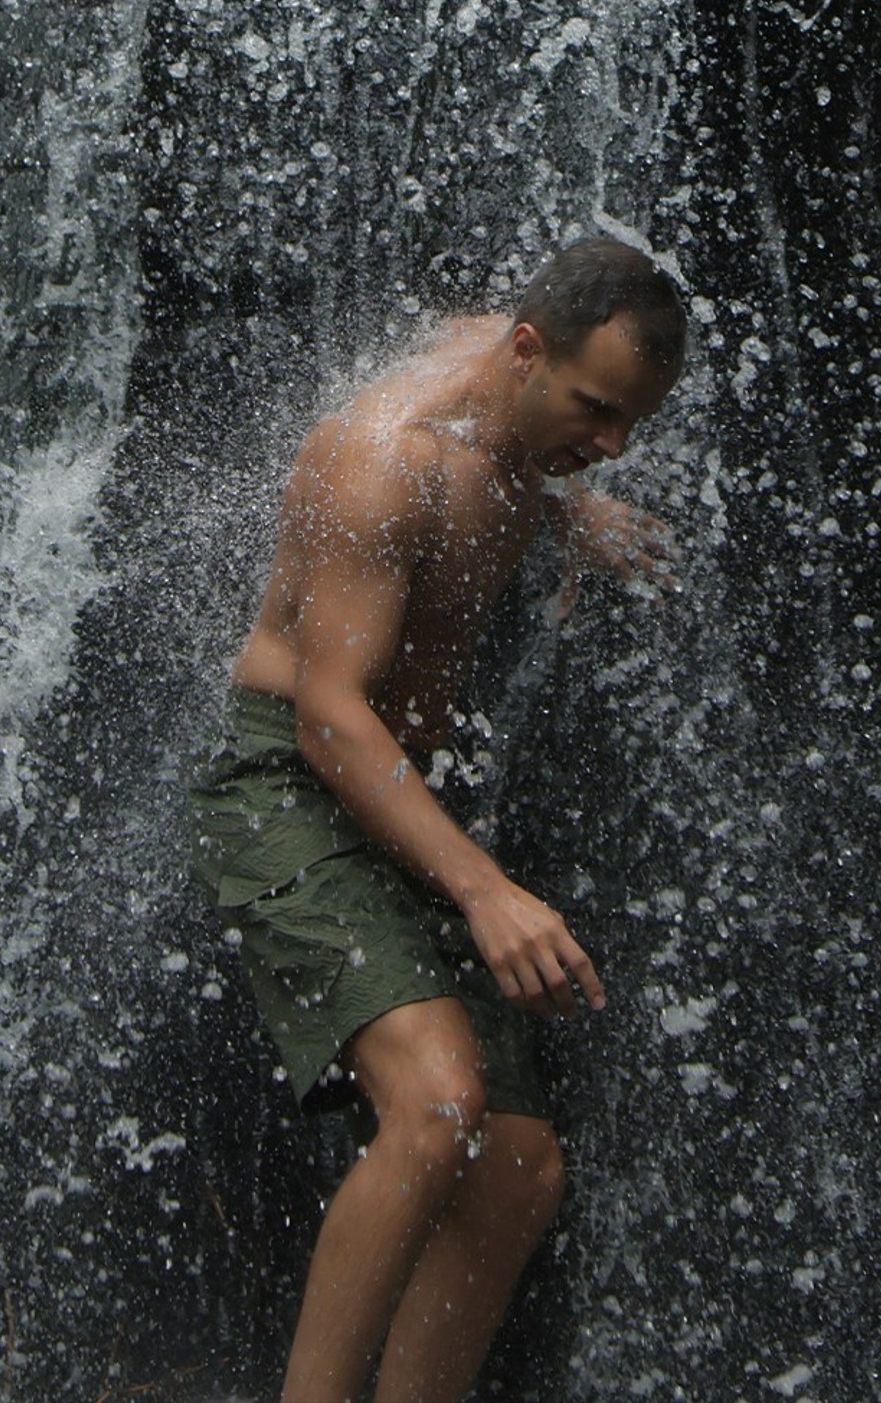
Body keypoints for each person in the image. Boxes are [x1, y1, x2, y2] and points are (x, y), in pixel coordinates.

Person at [187, 236, 688, 1403]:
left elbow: (505, 443)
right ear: (528, 351)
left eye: (629, 428)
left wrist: (574, 516)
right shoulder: (378, 462)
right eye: (596, 413)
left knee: (517, 1169)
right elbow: (327, 720)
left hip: (398, 790)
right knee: (438, 1100)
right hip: (292, 785)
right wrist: (485, 889)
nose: (607, 446)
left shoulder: (507, 382)